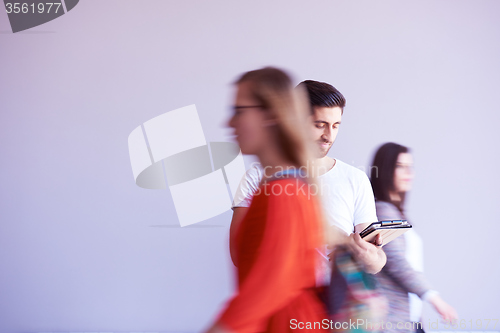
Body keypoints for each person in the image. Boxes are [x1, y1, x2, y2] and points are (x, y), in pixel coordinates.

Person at [229, 80, 386, 289]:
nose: (328, 136)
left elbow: (376, 264)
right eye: (319, 125)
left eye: (335, 126)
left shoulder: (355, 178)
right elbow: (240, 254)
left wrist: (366, 255)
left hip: (334, 307)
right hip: (282, 300)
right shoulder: (258, 176)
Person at [205, 67, 328, 333]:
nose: (229, 123)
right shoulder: (280, 187)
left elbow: (267, 287)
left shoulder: (283, 193)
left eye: (239, 111)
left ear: (271, 113)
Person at [370, 142, 458, 333]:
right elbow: (397, 262)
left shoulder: (394, 212)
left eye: (410, 166)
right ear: (385, 169)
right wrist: (434, 298)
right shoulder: (383, 211)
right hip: (390, 321)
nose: (408, 172)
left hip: (408, 320)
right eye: (400, 166)